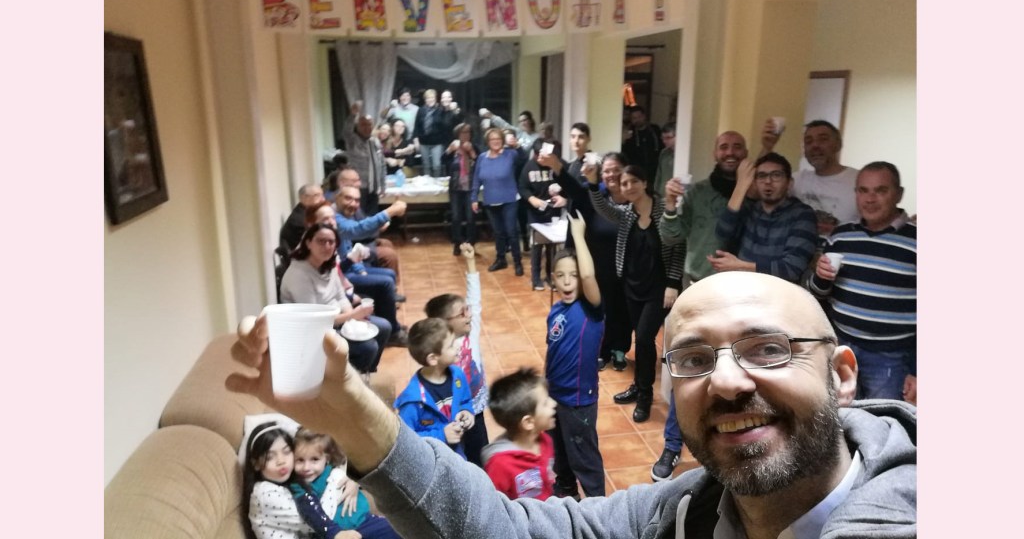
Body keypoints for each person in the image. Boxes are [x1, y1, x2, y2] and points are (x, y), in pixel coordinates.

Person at [228, 270, 916, 539]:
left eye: (767, 349)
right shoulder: (680, 512)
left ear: (842, 375)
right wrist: (348, 409)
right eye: (694, 359)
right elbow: (500, 527)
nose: (729, 382)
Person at [653, 129, 750, 481]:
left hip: (744, 294)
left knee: (738, 374)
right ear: (714, 152)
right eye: (724, 146)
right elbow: (670, 236)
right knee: (691, 367)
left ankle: (730, 449)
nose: (730, 152)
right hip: (699, 290)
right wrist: (669, 205)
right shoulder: (697, 192)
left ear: (746, 153)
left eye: (737, 146)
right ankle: (672, 445)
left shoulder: (755, 192)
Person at [808, 162, 917, 403]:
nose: (870, 199)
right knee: (838, 414)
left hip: (890, 359)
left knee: (881, 419)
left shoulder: (916, 239)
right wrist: (821, 277)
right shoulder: (841, 235)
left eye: (880, 190)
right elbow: (819, 293)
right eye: (863, 190)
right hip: (842, 347)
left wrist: (917, 369)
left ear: (898, 194)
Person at [586, 163, 684, 423]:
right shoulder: (626, 214)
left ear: (645, 183)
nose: (628, 187)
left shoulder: (664, 211)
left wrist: (673, 282)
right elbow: (603, 207)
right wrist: (593, 183)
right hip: (631, 287)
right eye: (624, 183)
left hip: (658, 289)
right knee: (640, 339)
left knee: (643, 338)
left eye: (633, 182)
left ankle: (645, 396)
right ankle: (639, 386)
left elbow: (677, 247)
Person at [541, 150, 632, 372]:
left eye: (617, 170)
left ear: (626, 171)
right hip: (597, 265)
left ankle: (620, 349)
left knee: (623, 310)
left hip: (627, 267)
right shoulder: (596, 194)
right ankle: (601, 350)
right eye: (607, 171)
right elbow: (574, 189)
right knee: (600, 308)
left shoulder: (634, 196)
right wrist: (557, 166)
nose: (611, 175)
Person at [545, 212, 606, 498]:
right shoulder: (556, 310)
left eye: (574, 275)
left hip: (579, 400)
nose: (568, 282)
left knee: (584, 457)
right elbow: (553, 350)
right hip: (555, 394)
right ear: (552, 279)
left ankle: (598, 506)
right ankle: (566, 490)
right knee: (560, 450)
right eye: (561, 276)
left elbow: (589, 274)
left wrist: (579, 235)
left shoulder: (591, 309)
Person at [279, 223, 388, 373]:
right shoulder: (299, 274)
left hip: (336, 320)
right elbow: (315, 320)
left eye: (331, 242)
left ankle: (367, 372)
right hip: (312, 332)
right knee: (368, 347)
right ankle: (347, 380)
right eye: (321, 241)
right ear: (308, 243)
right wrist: (351, 316)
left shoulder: (328, 263)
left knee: (384, 327)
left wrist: (352, 319)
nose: (327, 246)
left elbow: (340, 296)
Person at [423, 243, 490, 467]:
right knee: (456, 459)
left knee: (480, 455)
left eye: (467, 310)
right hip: (451, 416)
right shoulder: (438, 349)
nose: (469, 315)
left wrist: (470, 262)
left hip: (476, 409)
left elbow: (475, 300)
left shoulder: (471, 333)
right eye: (462, 313)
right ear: (444, 323)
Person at [306, 201, 403, 346]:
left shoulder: (333, 237)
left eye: (333, 218)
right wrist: (351, 314)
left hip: (341, 293)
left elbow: (337, 274)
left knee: (388, 276)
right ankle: (393, 332)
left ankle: (391, 324)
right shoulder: (313, 255)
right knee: (385, 283)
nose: (331, 222)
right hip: (328, 318)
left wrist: (357, 272)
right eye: (326, 219)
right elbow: (334, 277)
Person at [712, 153, 817, 283]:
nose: (768, 181)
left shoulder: (802, 214)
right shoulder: (751, 209)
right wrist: (740, 187)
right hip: (742, 287)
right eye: (761, 176)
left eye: (776, 175)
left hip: (778, 292)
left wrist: (740, 266)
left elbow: (792, 269)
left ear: (789, 183)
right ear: (755, 182)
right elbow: (722, 234)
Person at [242, 421, 349, 539]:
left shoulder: (289, 484)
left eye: (286, 452)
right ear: (256, 464)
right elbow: (318, 520)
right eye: (270, 457)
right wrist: (336, 479)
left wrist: (350, 483)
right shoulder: (264, 493)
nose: (281, 461)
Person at [291, 428, 401, 539]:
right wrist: (334, 533)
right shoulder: (298, 485)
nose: (306, 467)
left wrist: (354, 482)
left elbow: (359, 470)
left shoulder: (334, 471)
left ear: (326, 458)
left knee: (399, 529)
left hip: (365, 521)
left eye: (314, 459)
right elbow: (310, 509)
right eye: (300, 460)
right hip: (337, 532)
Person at [764, 119, 860, 240]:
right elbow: (757, 189)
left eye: (823, 139)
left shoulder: (859, 180)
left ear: (838, 144)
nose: (815, 146)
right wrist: (767, 147)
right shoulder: (796, 180)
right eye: (808, 141)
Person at [394, 317, 475, 458]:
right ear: (433, 358)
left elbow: (465, 401)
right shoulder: (412, 401)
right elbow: (405, 441)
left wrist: (467, 412)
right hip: (431, 463)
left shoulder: (458, 375)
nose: (458, 346)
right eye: (451, 345)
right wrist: (442, 435)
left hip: (458, 458)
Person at [480, 367, 557, 501]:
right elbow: (494, 504)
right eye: (545, 403)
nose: (554, 403)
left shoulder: (544, 440)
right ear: (528, 422)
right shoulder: (499, 465)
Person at [470, 126, 527, 276]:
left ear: (502, 140)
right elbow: (476, 179)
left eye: (498, 139)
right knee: (498, 232)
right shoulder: (482, 158)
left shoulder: (510, 154)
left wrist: (517, 146)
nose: (495, 141)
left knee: (511, 231)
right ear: (487, 142)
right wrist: (474, 198)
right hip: (490, 200)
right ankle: (501, 259)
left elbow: (524, 158)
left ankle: (517, 262)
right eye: (492, 139)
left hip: (509, 199)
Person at [519, 141, 567, 290]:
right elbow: (522, 187)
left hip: (554, 211)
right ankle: (535, 278)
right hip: (535, 213)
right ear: (535, 155)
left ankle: (550, 276)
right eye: (539, 156)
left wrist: (563, 196)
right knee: (537, 246)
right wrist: (531, 199)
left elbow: (569, 185)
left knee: (552, 246)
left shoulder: (557, 164)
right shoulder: (529, 167)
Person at [341, 101, 387, 216]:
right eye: (363, 125)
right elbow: (346, 131)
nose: (367, 127)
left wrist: (383, 185)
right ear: (358, 126)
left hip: (374, 187)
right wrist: (352, 115)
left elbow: (381, 164)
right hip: (358, 187)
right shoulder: (352, 140)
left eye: (369, 124)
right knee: (359, 216)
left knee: (372, 217)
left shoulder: (375, 141)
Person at [443, 123, 480, 255]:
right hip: (455, 188)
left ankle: (470, 243)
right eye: (462, 133)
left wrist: (472, 152)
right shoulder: (454, 146)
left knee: (471, 217)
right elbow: (443, 161)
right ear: (458, 134)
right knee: (456, 217)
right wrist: (449, 150)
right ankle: (457, 243)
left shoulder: (474, 147)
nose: (465, 135)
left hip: (470, 187)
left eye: (468, 132)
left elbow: (480, 163)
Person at [412, 89, 448, 177]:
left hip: (437, 143)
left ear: (435, 99)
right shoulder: (421, 110)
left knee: (436, 165)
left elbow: (445, 127)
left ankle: (436, 182)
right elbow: (416, 126)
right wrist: (416, 139)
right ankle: (428, 183)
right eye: (428, 98)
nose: (430, 100)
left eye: (432, 98)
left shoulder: (441, 110)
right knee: (426, 165)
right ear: (425, 100)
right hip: (423, 142)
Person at [620, 105, 663, 181]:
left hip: (654, 170)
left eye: (639, 117)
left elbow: (662, 146)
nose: (637, 120)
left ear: (644, 116)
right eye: (634, 118)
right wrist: (624, 139)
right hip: (635, 170)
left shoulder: (654, 130)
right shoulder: (629, 132)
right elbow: (624, 151)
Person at [280, 183, 325, 252]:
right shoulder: (300, 220)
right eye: (317, 195)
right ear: (304, 198)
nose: (323, 199)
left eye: (322, 195)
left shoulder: (307, 213)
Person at [652, 123, 677, 199]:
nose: (664, 141)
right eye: (663, 138)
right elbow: (659, 174)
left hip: (674, 193)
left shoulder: (682, 155)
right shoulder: (664, 153)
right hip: (661, 194)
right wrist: (655, 192)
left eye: (668, 138)